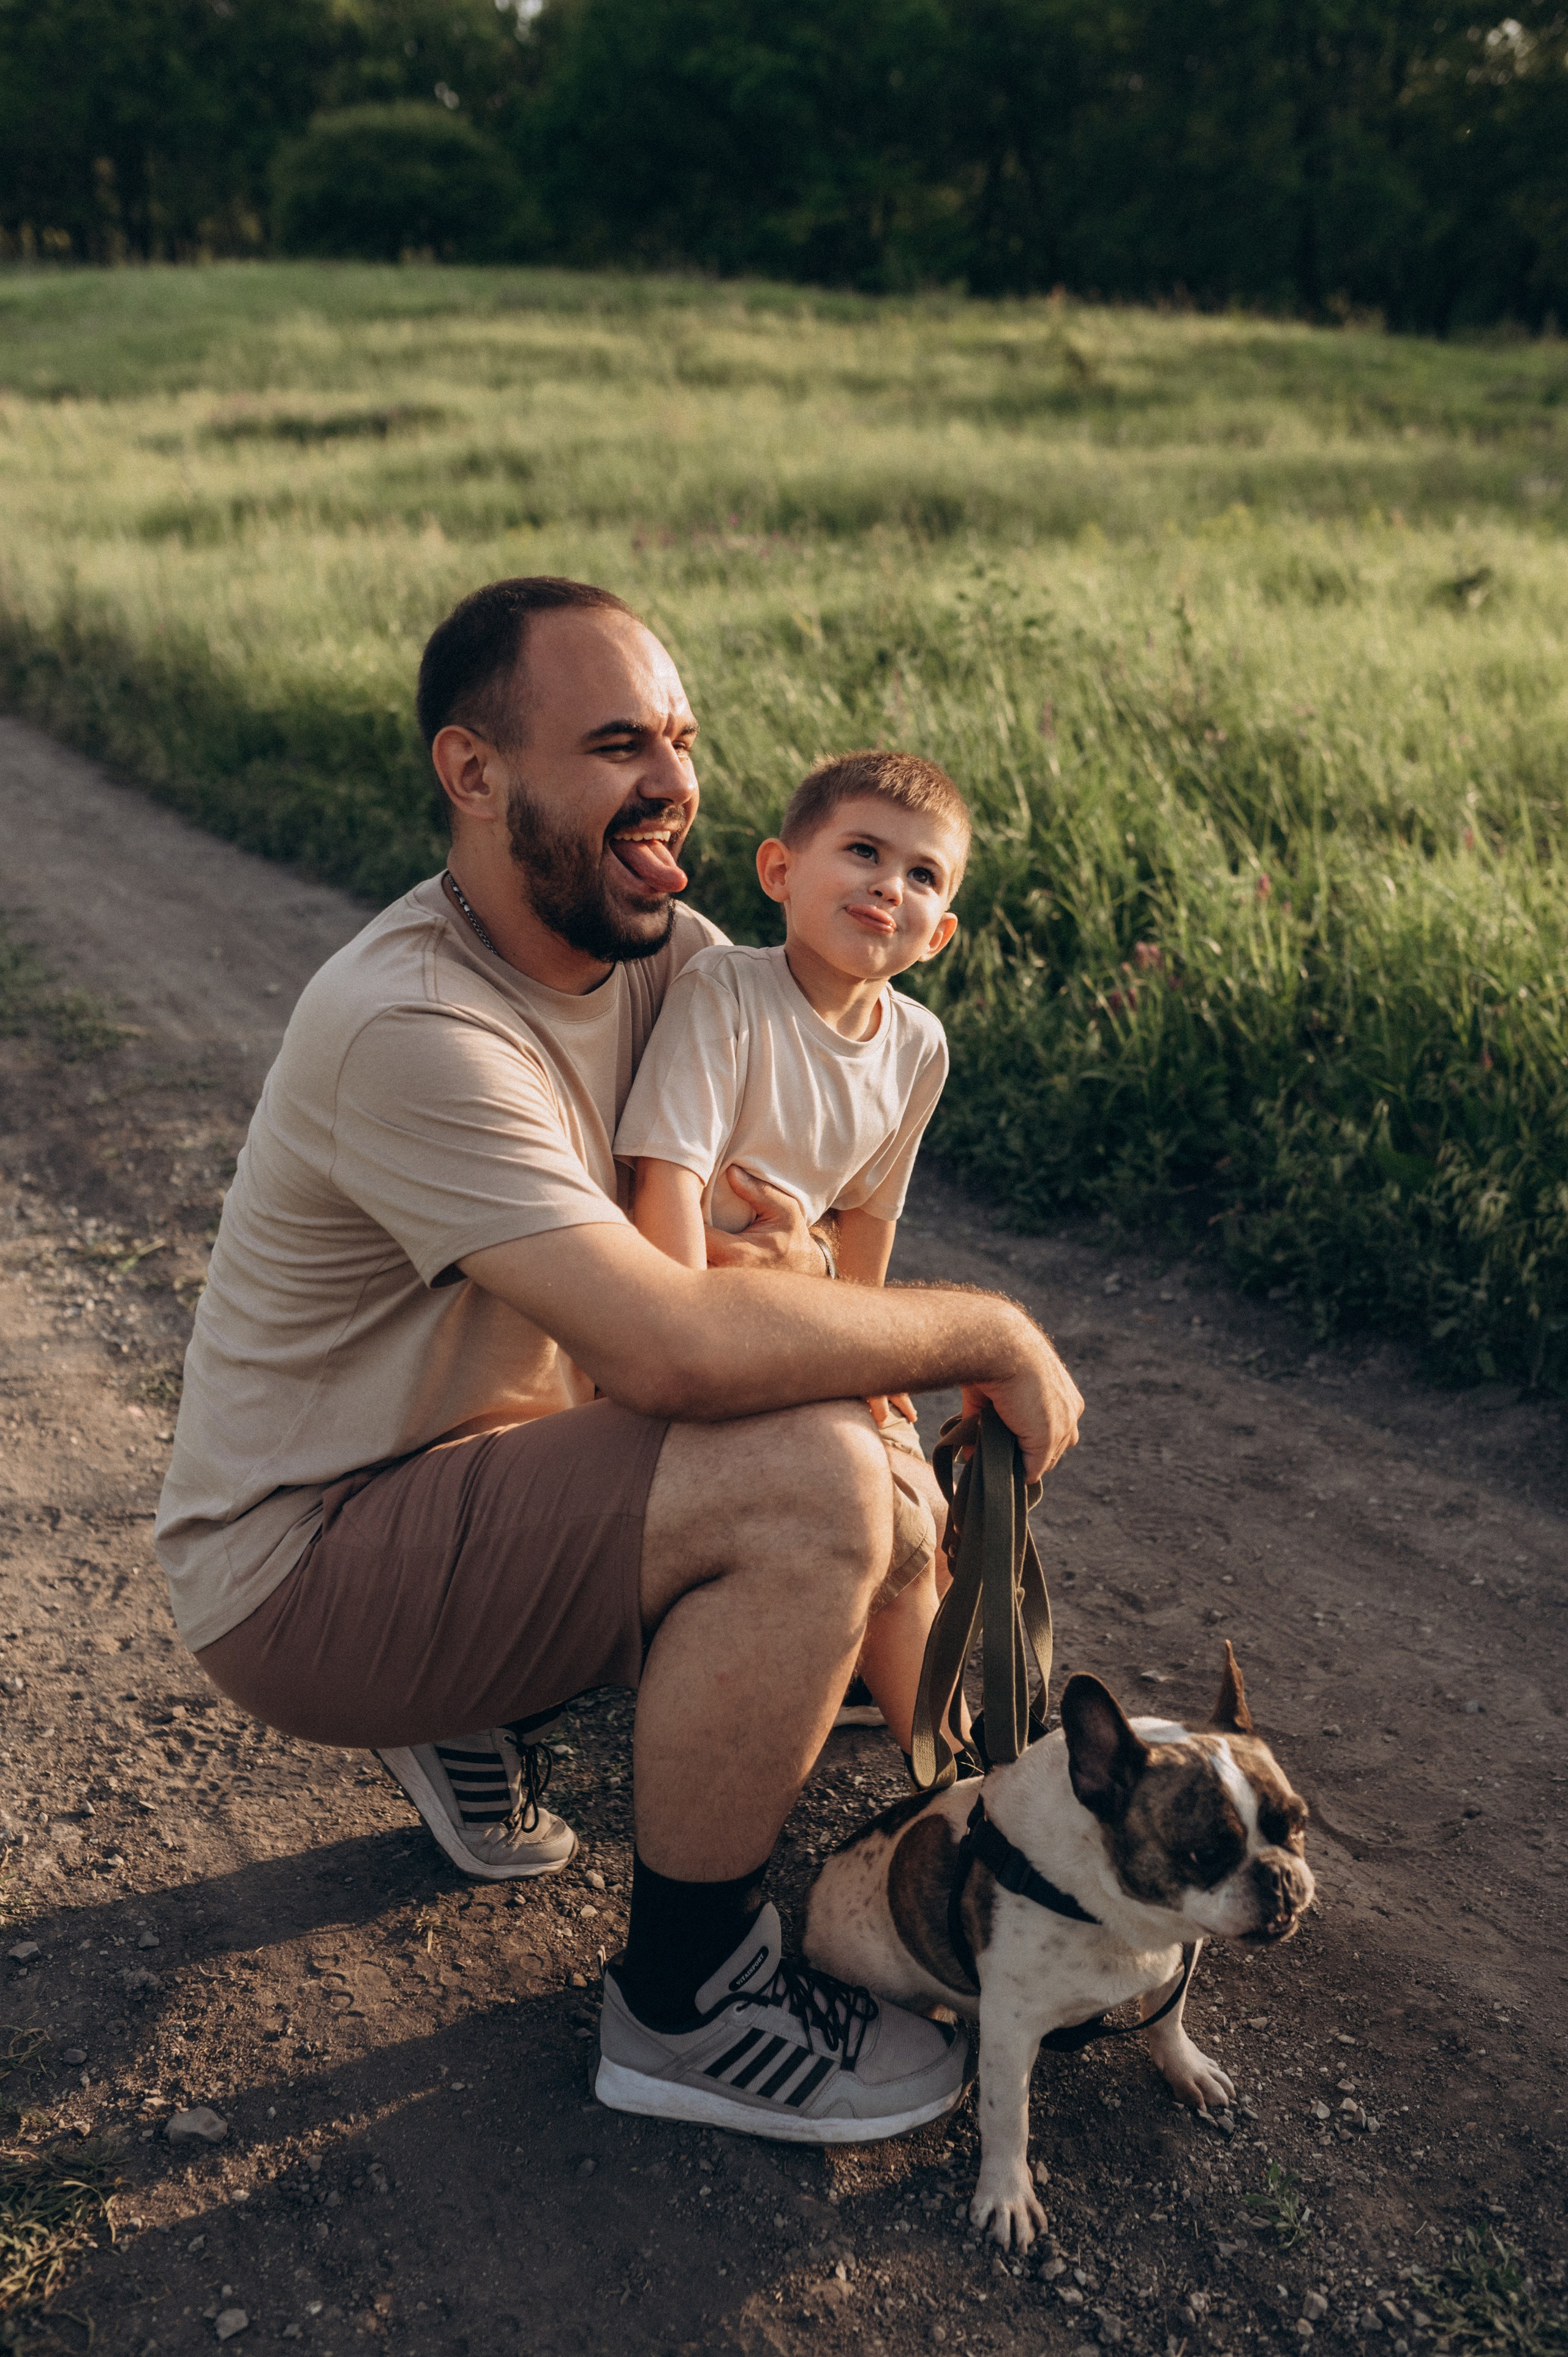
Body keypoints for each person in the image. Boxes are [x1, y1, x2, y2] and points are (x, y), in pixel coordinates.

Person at [156, 575, 1084, 2143]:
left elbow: (774, 1260)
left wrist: (814, 1323)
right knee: (805, 1485)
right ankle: (686, 2004)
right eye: (613, 745)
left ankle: (476, 1694)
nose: (673, 785)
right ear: (474, 773)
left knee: (854, 1466)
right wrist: (985, 1332)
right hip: (298, 1567)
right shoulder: (414, 1022)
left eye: (680, 737)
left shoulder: (680, 963)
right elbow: (670, 1341)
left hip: (478, 1480)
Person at [617, 747, 969, 1754]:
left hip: (800, 1319)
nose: (887, 886)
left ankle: (875, 1676)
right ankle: (955, 1774)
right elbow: (667, 1182)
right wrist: (692, 1352)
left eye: (921, 876)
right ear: (780, 871)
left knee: (928, 1506)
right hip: (693, 1317)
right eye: (862, 851)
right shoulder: (726, 994)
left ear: (938, 933)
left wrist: (866, 1356)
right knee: (893, 1520)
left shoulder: (918, 1046)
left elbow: (868, 1215)